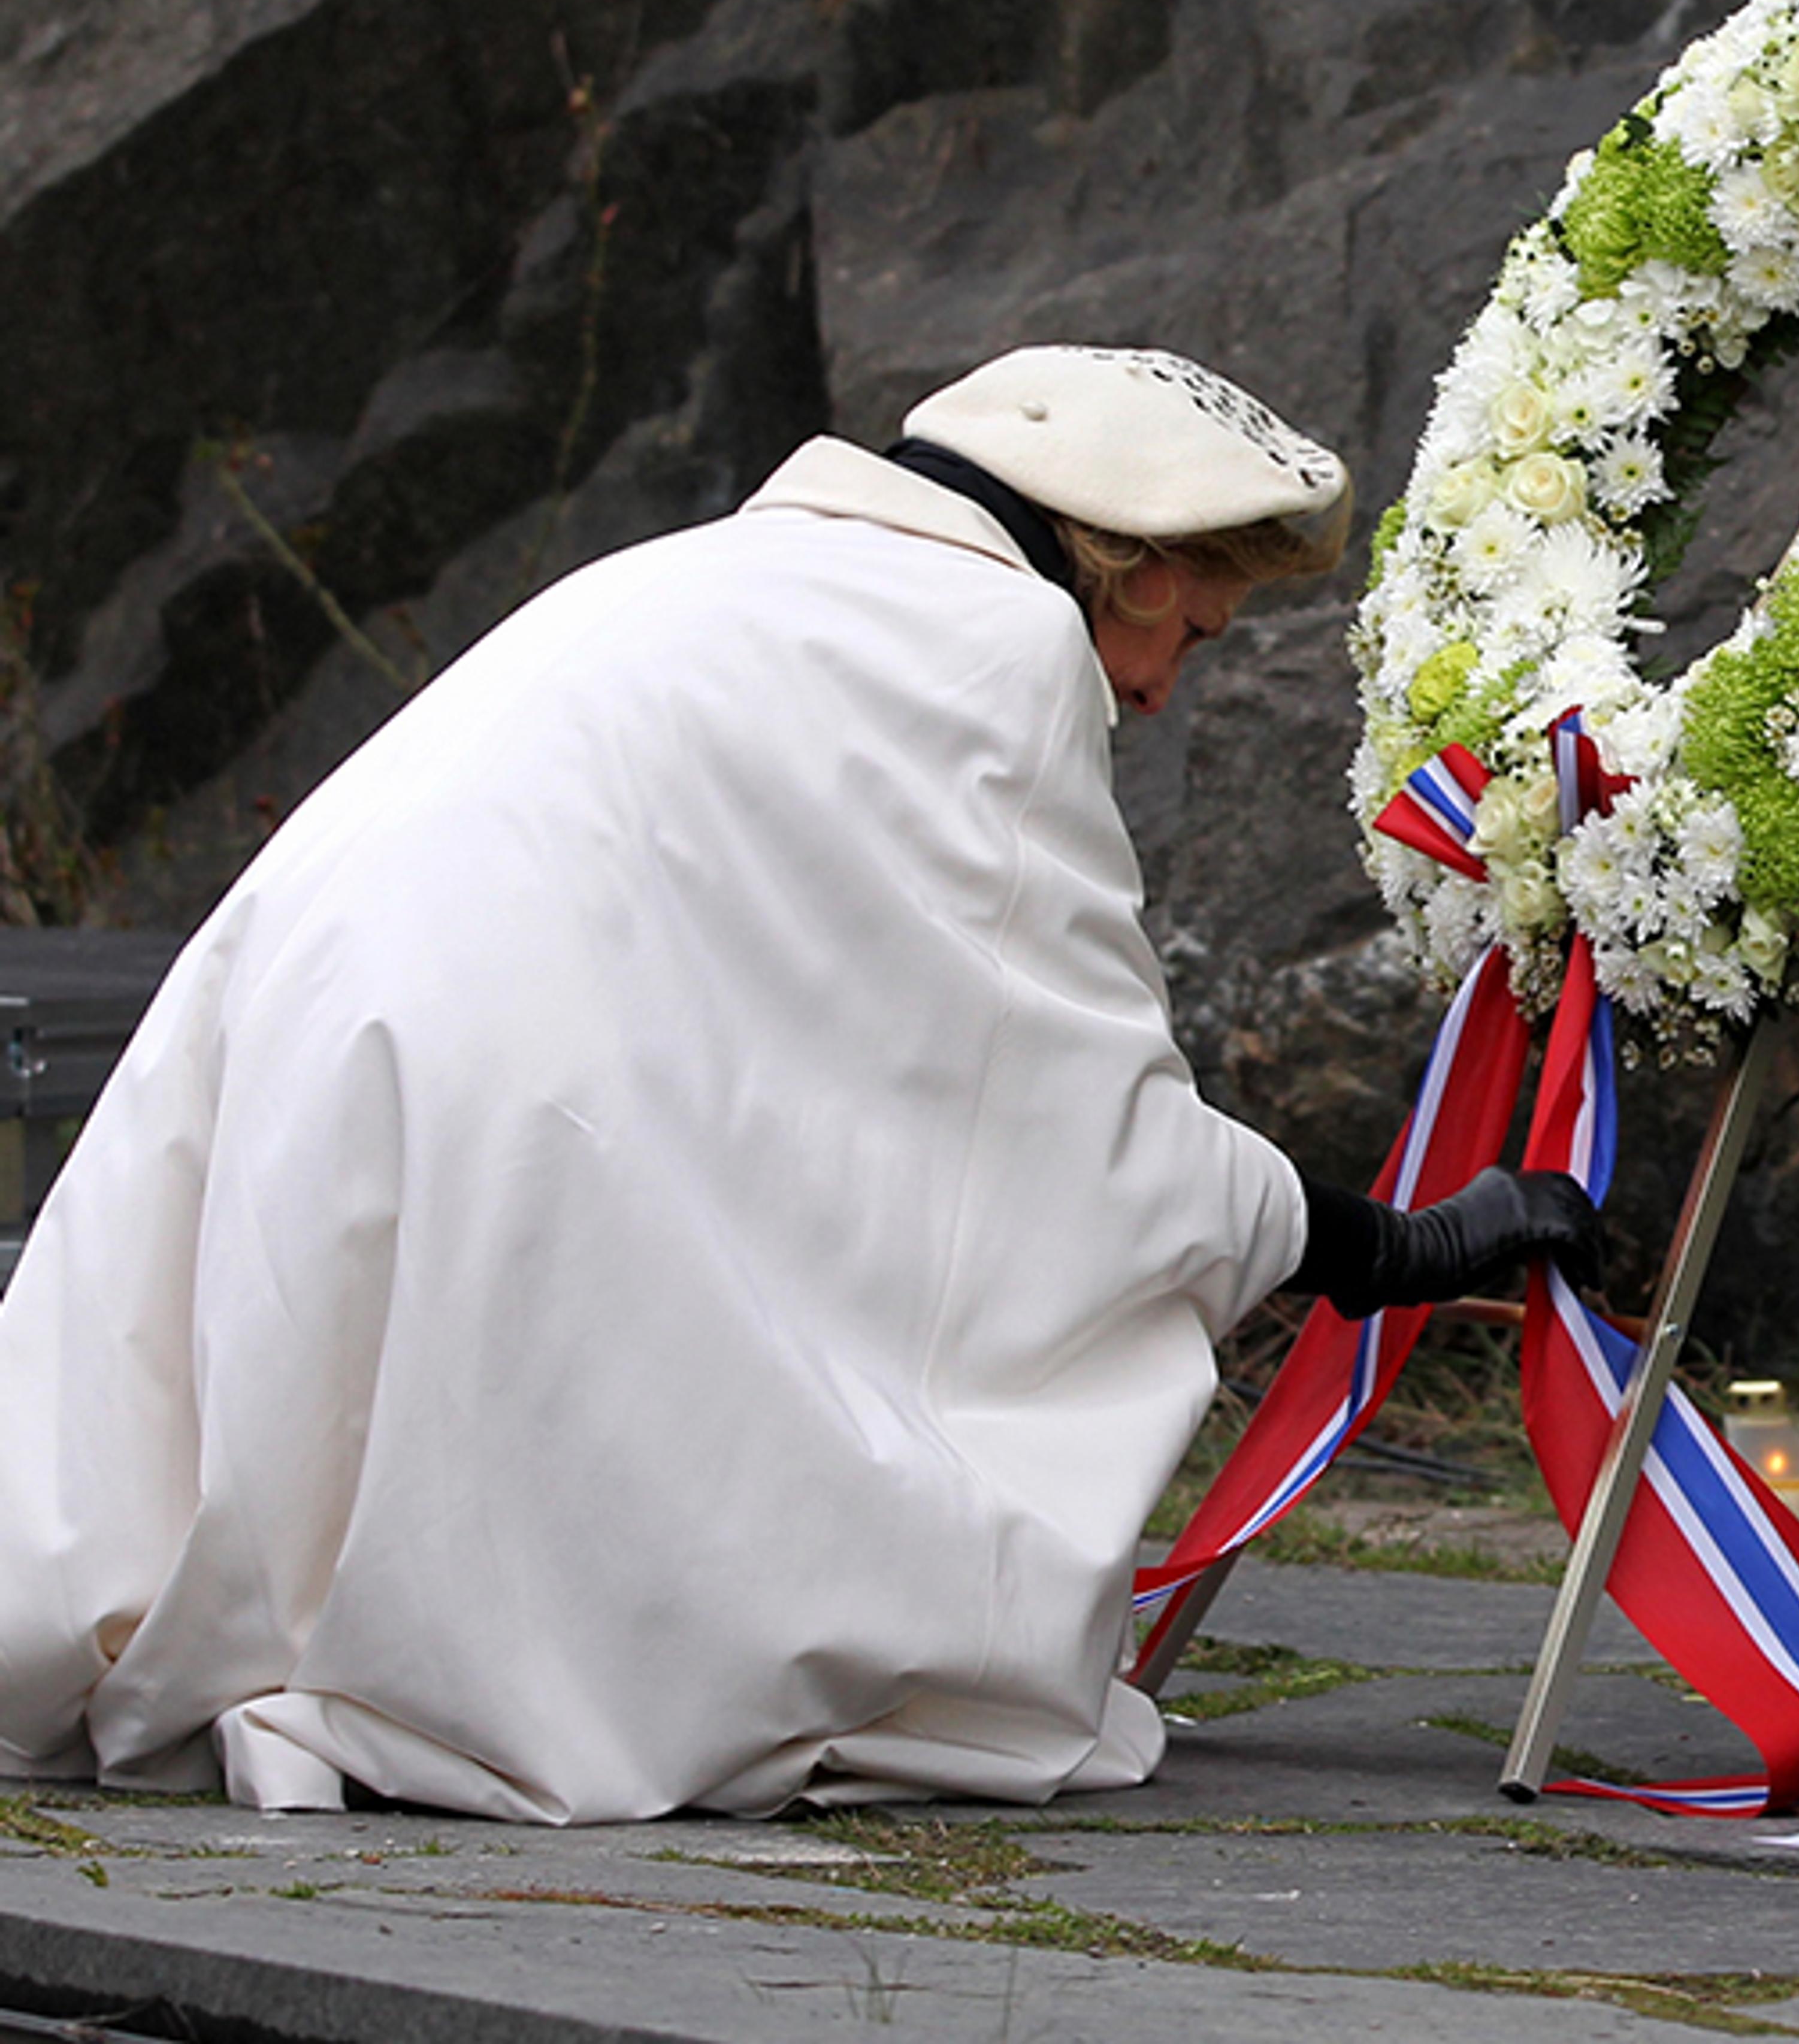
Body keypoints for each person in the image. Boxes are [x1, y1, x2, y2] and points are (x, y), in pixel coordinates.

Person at [0, 345, 1597, 1824]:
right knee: (726, 1558)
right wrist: (1392, 1247)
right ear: (1144, 570)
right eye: (1192, 636)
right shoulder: (1001, 643)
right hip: (514, 1082)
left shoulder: (715, 572)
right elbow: (1072, 1114)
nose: (1168, 688)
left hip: (320, 1043)